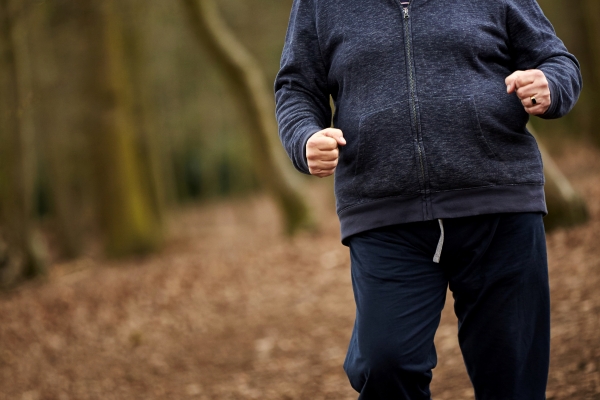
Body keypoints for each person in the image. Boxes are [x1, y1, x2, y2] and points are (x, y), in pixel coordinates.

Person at [274, 0, 582, 398]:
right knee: (386, 363)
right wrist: (304, 138)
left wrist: (550, 85)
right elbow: (296, 87)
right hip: (384, 216)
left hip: (500, 205)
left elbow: (556, 60)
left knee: (513, 379)